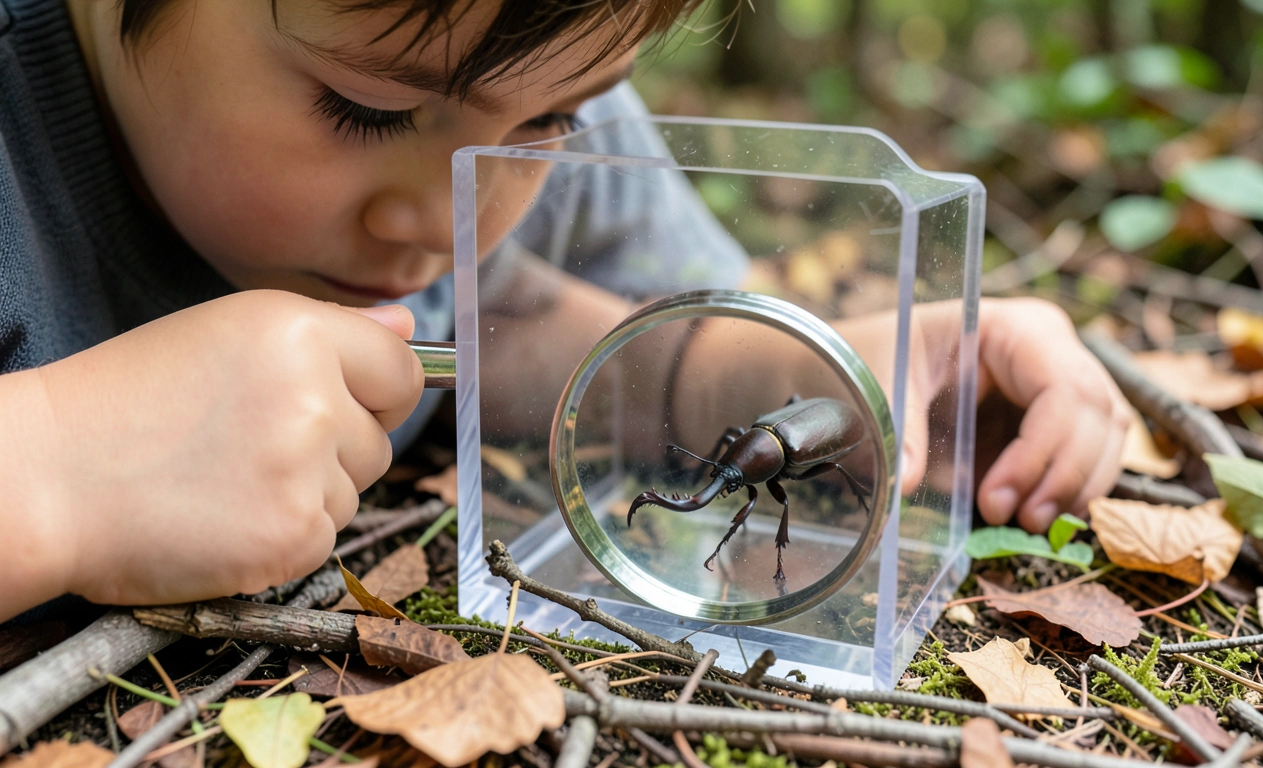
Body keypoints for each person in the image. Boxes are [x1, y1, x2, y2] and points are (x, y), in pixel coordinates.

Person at [0, 0, 1129, 624]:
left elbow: (582, 326)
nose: (461, 217)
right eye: (368, 109)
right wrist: (53, 471)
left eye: (551, 128)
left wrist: (840, 371)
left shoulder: (526, 57)